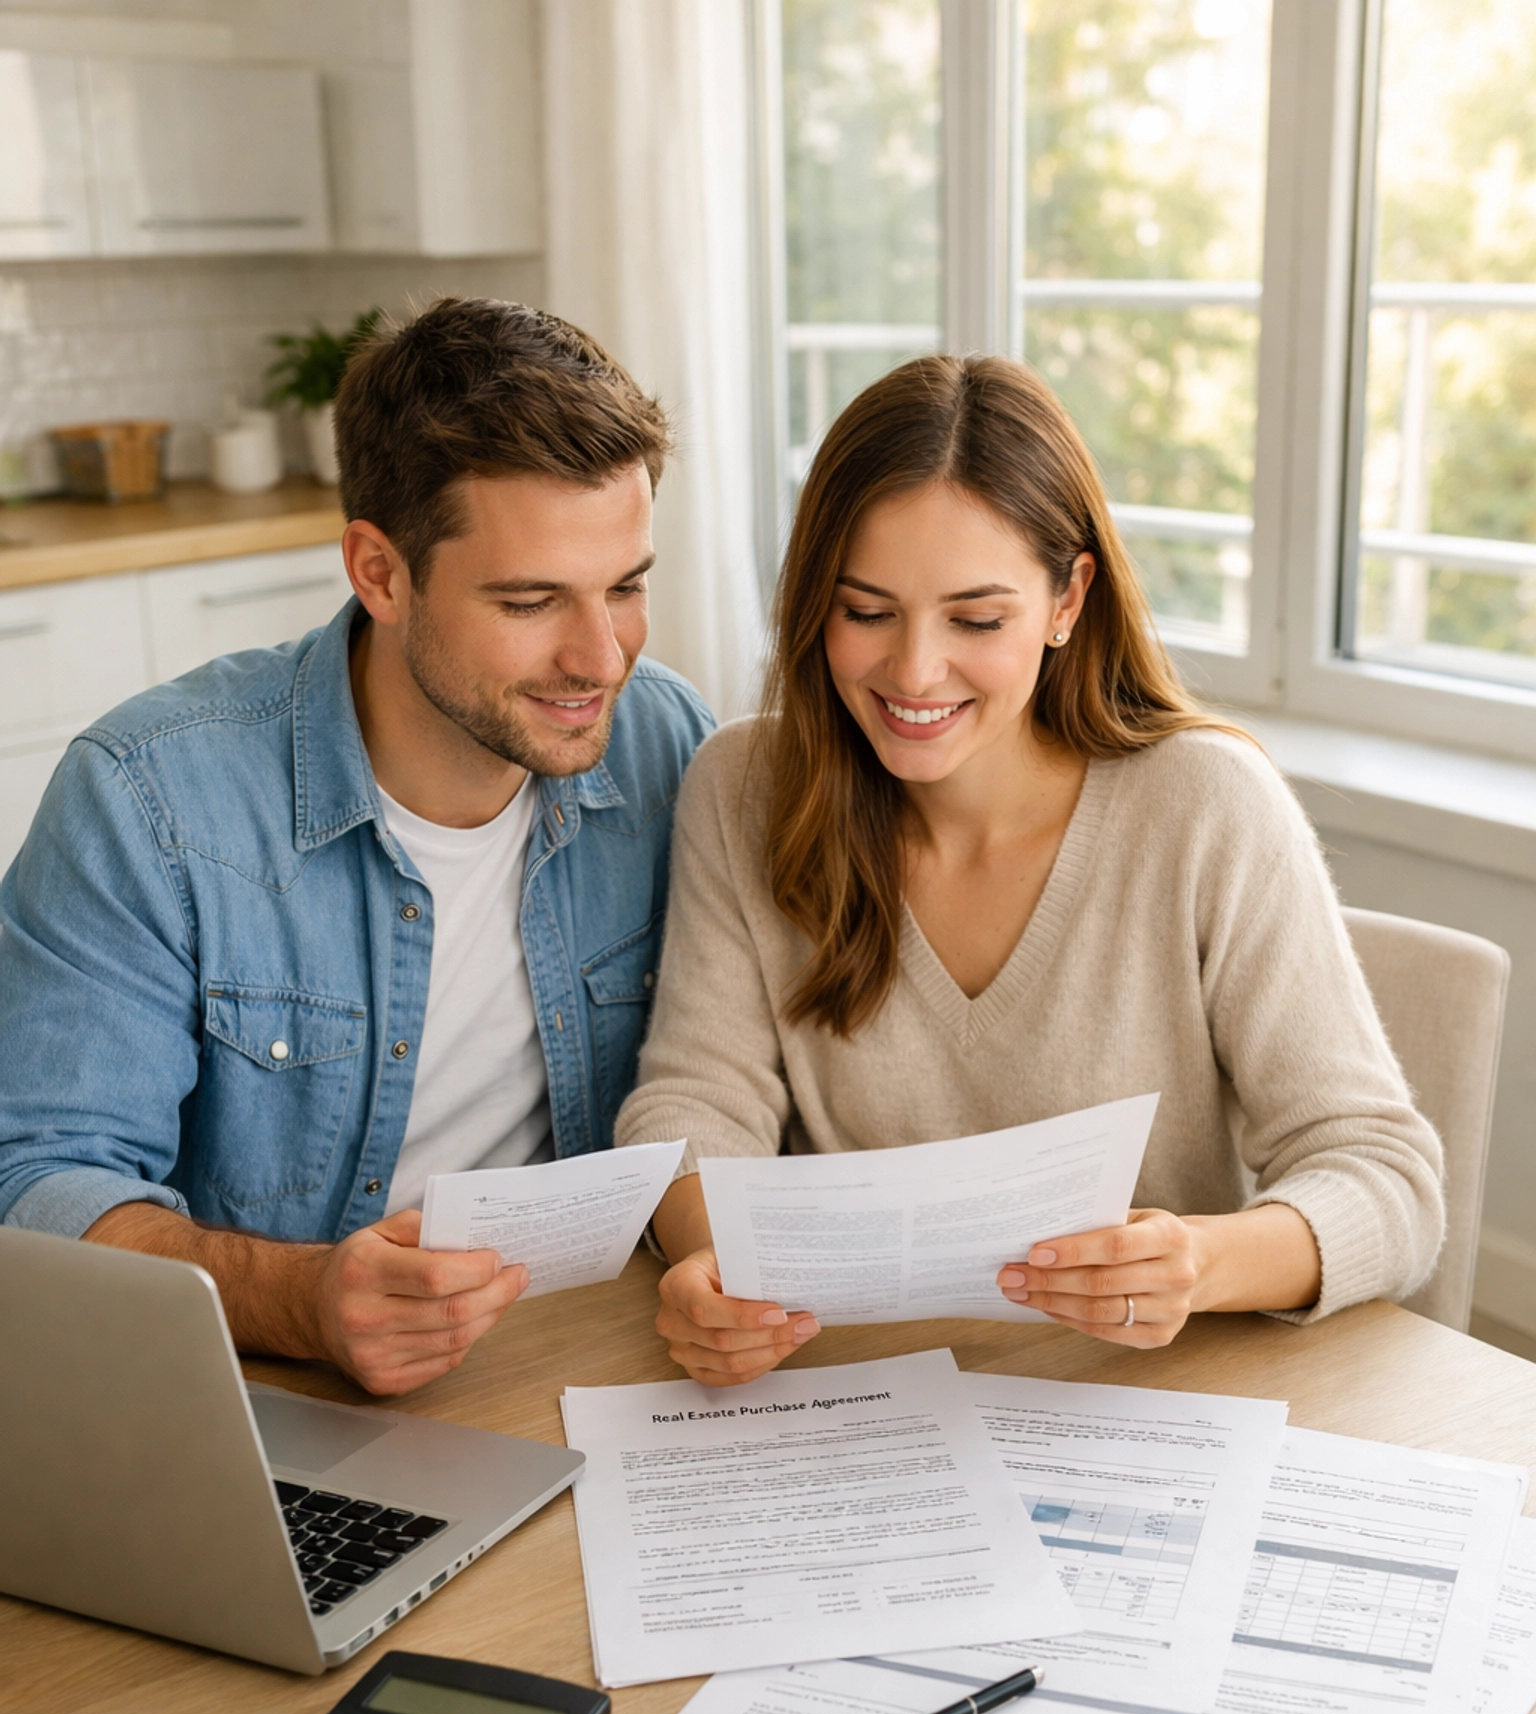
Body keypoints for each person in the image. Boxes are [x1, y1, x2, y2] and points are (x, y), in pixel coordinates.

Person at [614, 354, 1444, 1388]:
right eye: (865, 610)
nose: (914, 671)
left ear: (1067, 600)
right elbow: (693, 1105)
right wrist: (709, 1260)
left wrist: (1199, 1262)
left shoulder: (1204, 805)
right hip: (861, 1402)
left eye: (976, 619)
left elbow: (1386, 1178)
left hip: (1145, 1398)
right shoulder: (743, 788)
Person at [0, 298, 714, 1394]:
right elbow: (34, 1192)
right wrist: (302, 1299)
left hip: (580, 1362)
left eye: (625, 587)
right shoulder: (149, 801)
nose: (601, 656)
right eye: (531, 601)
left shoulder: (670, 747)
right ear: (378, 572)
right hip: (266, 1399)